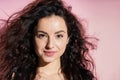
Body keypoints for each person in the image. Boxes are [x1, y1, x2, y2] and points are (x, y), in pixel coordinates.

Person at [0, 0, 97, 80]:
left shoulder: (81, 77)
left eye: (59, 36)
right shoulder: (16, 78)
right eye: (42, 35)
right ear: (32, 37)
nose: (50, 45)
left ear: (68, 38)